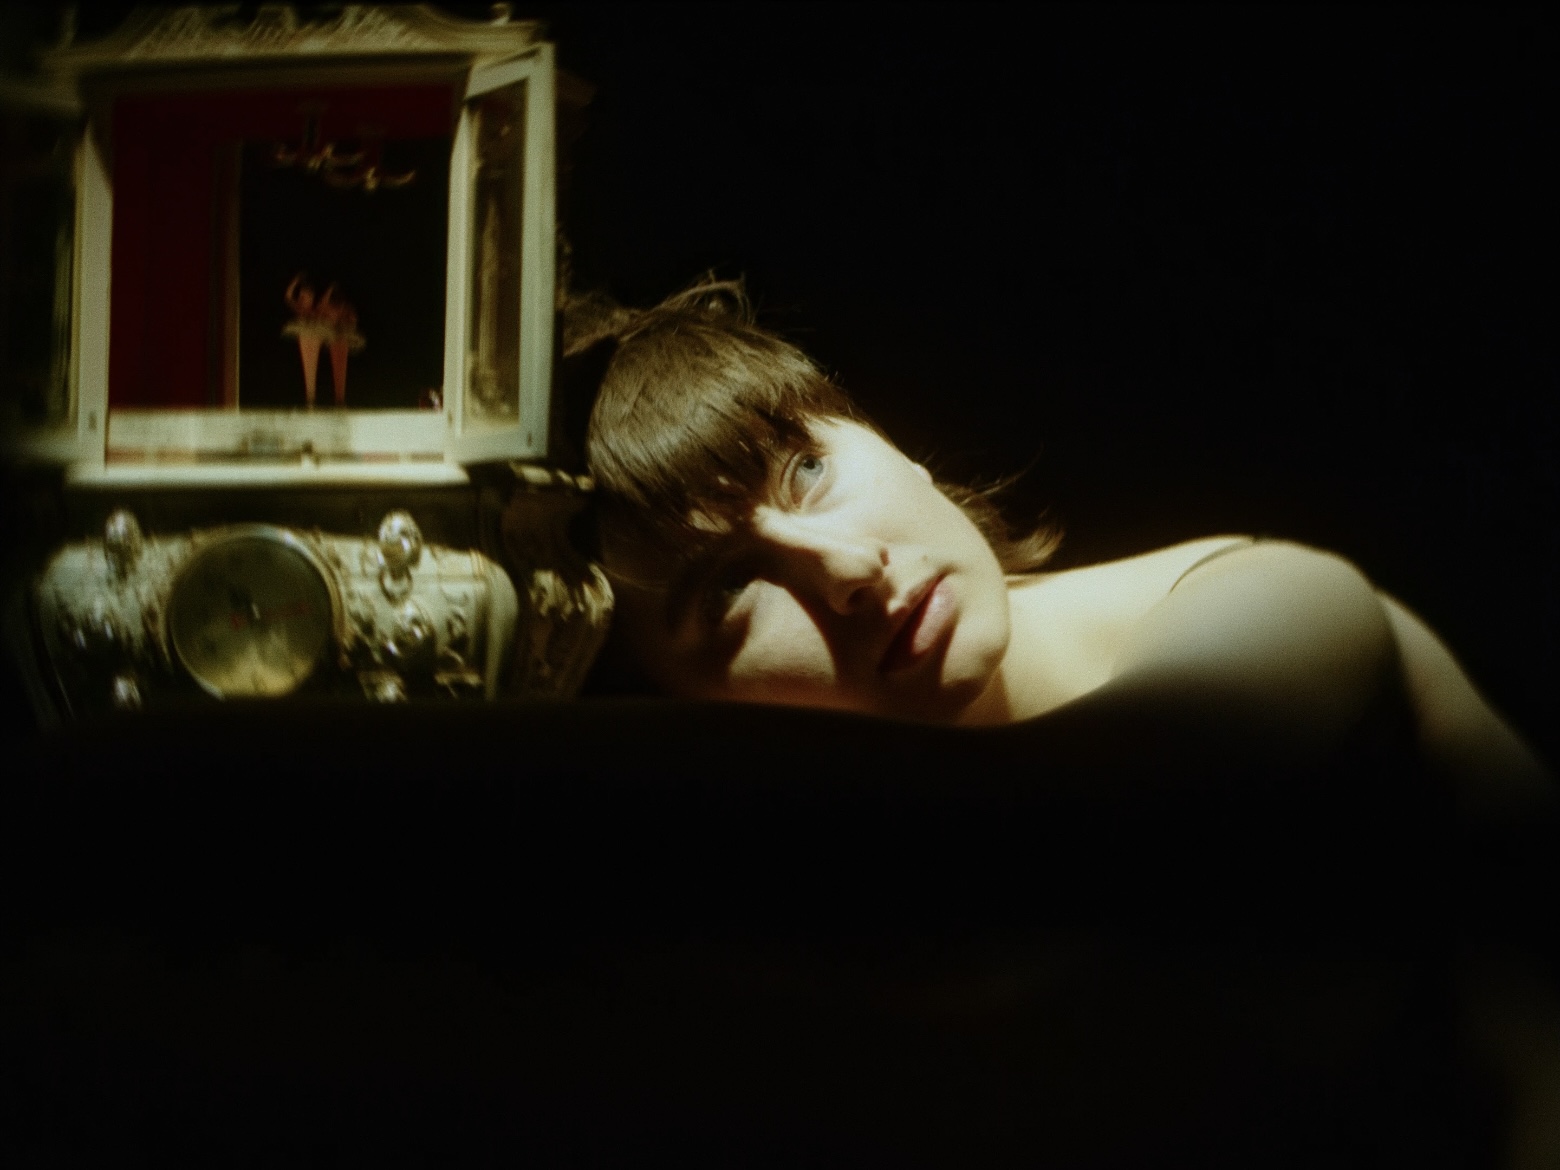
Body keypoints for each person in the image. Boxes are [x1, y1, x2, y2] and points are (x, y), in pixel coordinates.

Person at [581, 278, 1551, 804]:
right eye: (728, 590)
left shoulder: (1264, 602)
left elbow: (1094, 822)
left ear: (893, 444)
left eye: (807, 469)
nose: (847, 570)